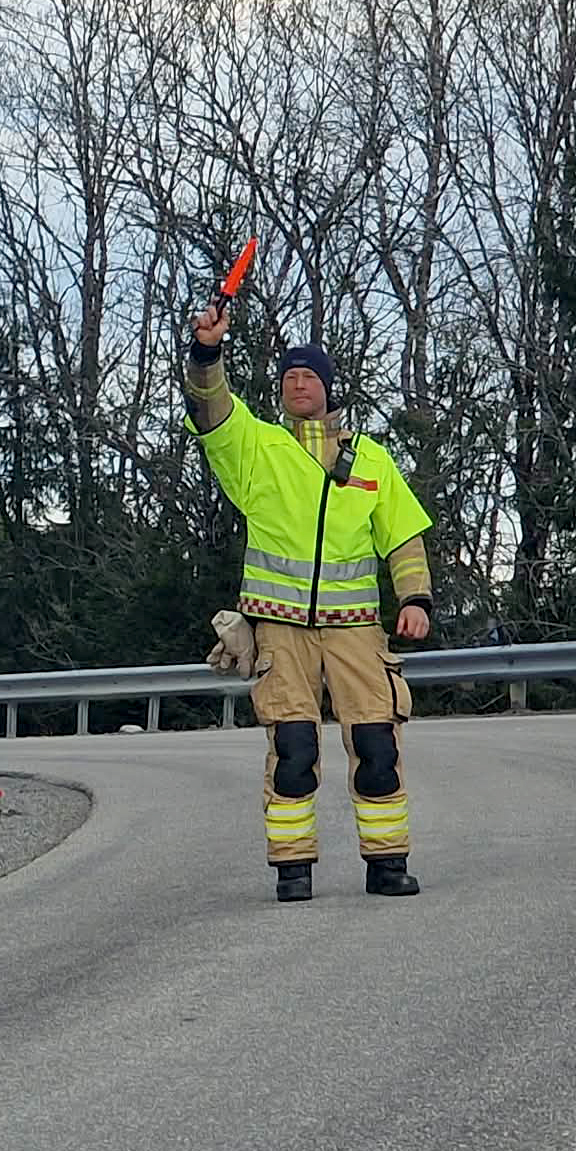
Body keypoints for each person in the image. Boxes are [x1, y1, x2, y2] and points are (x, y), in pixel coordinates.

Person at [183, 301, 436, 902]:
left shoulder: (371, 459)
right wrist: (207, 351)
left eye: (309, 376)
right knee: (293, 750)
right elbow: (210, 405)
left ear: (327, 388)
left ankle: (387, 863)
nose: (298, 384)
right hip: (281, 629)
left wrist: (416, 599)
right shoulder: (258, 448)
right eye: (289, 377)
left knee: (377, 745)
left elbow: (403, 537)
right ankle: (292, 869)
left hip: (357, 630)